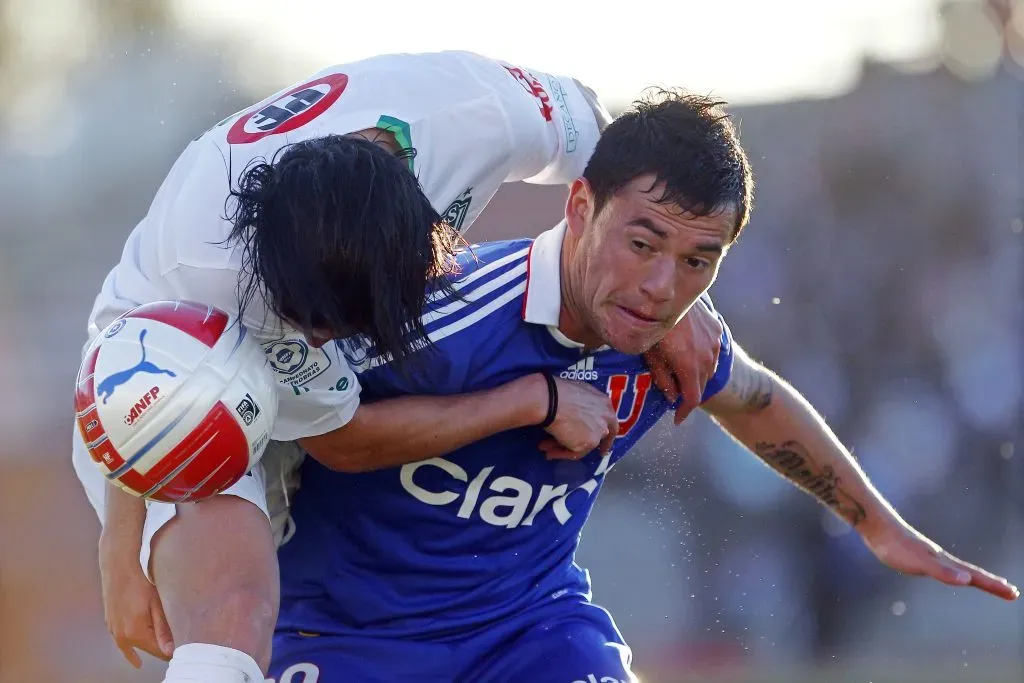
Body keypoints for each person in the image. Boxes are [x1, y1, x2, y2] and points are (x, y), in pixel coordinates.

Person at [267, 89, 1019, 683]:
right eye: (642, 243)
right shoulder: (438, 309)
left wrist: (874, 523)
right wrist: (535, 401)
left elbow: (756, 400)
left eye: (700, 261)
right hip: (348, 632)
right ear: (581, 207)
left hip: (530, 631)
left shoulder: (670, 339)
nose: (663, 286)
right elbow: (324, 430)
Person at [74, 51, 727, 683]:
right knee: (234, 612)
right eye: (311, 325)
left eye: (349, 326)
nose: (324, 344)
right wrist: (120, 553)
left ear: (428, 248)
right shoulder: (202, 270)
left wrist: (666, 297)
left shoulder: (485, 113)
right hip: (187, 375)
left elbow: (625, 161)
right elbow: (156, 394)